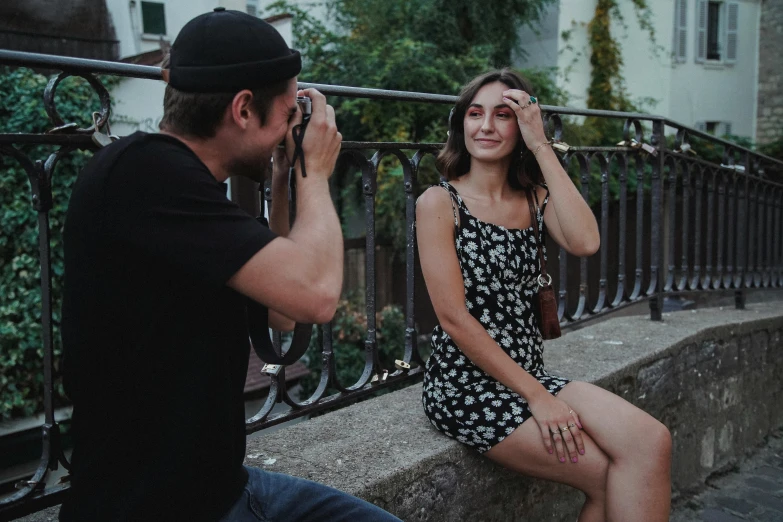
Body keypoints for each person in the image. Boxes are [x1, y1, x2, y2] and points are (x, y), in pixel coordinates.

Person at [60, 8, 400, 522]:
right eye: (287, 115)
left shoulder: (184, 185)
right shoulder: (145, 173)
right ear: (243, 110)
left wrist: (286, 176)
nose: (293, 129)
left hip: (223, 487)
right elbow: (318, 296)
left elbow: (283, 313)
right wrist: (317, 173)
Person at [416, 69, 672, 522]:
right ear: (461, 124)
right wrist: (539, 398)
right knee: (604, 475)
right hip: (465, 386)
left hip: (529, 375)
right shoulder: (439, 203)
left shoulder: (534, 198)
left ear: (520, 126)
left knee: (652, 440)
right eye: (475, 114)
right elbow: (453, 318)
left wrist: (540, 144)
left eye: (503, 115)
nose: (486, 126)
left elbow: (586, 241)